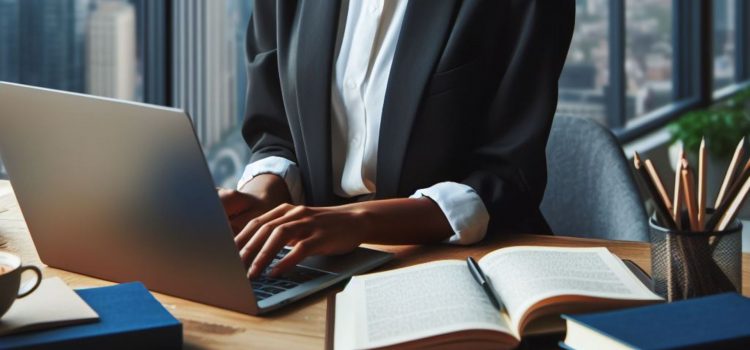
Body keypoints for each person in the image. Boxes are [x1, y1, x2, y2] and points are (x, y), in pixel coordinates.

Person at [219, 0, 575, 279]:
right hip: (312, 260)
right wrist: (259, 199)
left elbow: (507, 178)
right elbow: (276, 129)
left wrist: (361, 221)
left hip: (459, 264)